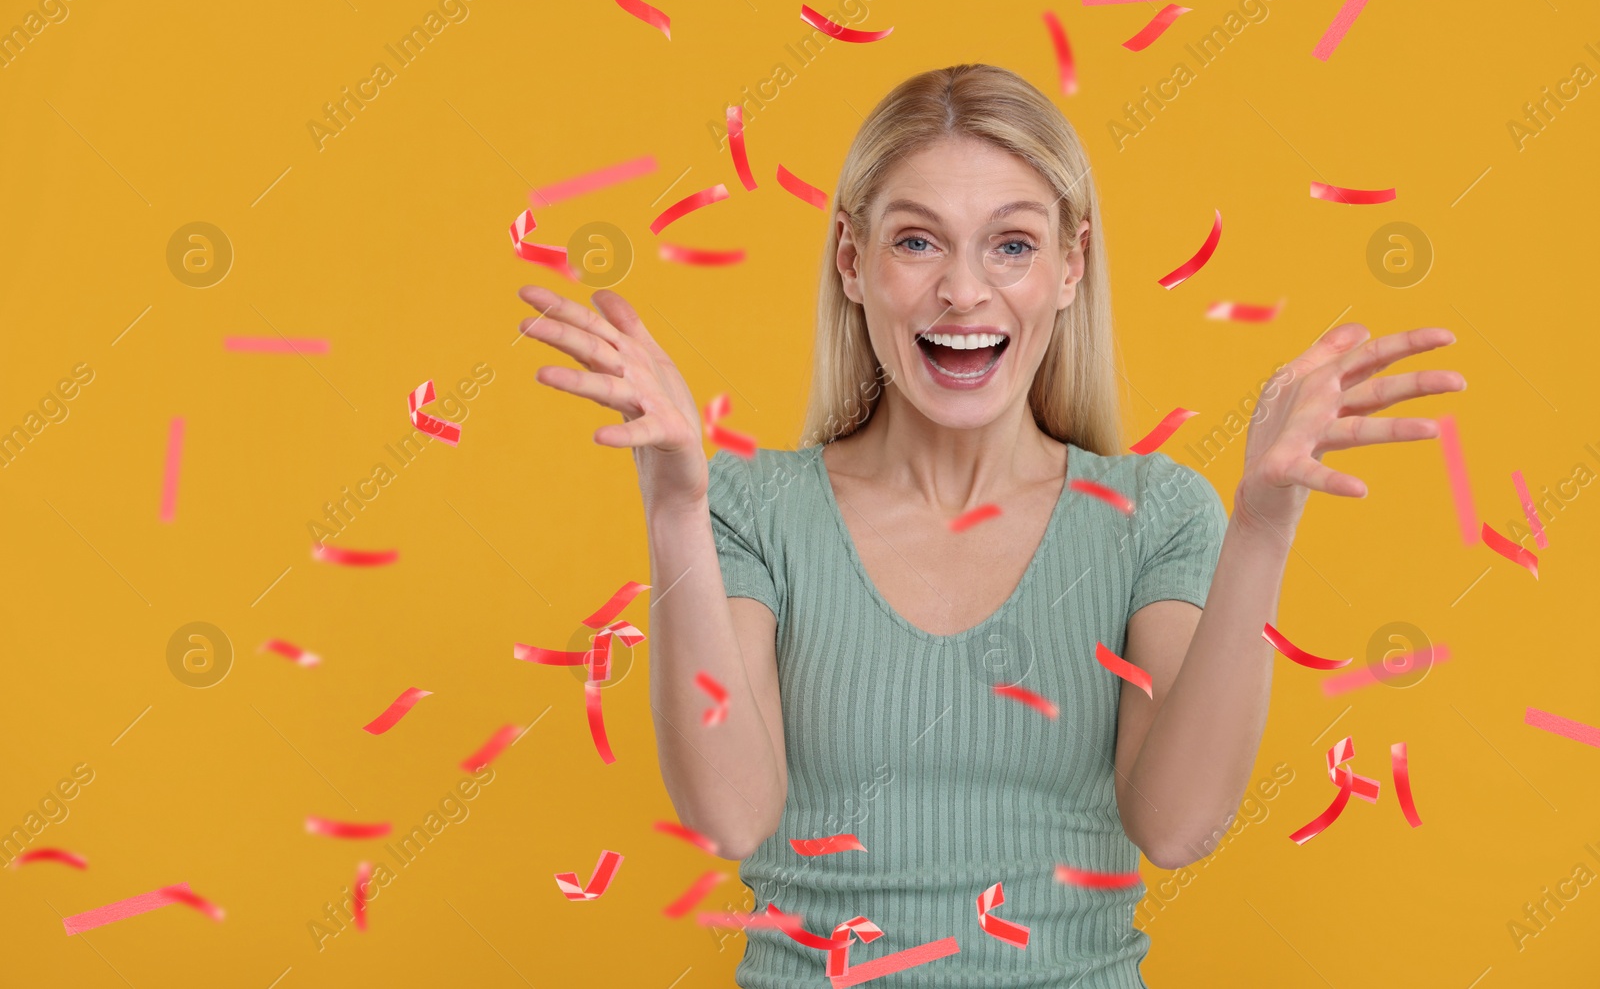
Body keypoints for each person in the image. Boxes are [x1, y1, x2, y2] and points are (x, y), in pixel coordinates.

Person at [515, 63, 1464, 987]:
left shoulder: (1155, 516)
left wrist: (1262, 522)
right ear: (852, 261)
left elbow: (1175, 826)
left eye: (1010, 244)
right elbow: (731, 815)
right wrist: (676, 507)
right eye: (917, 242)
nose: (963, 292)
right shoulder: (753, 508)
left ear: (1070, 265)